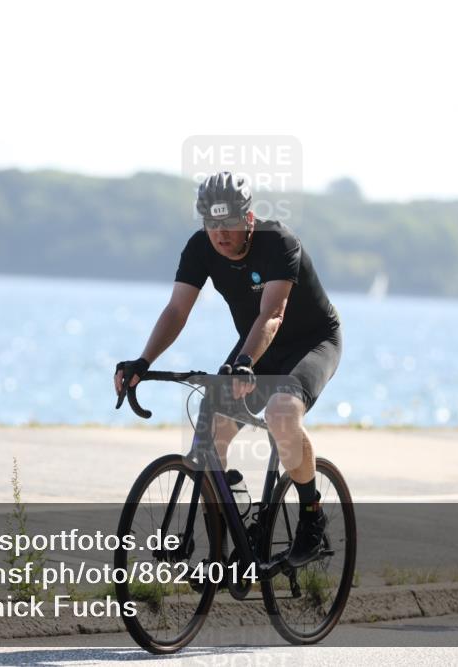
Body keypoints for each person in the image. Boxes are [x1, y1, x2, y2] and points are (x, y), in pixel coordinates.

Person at [114, 171, 342, 567]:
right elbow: (176, 311)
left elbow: (273, 314)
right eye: (212, 224)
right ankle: (222, 541)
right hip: (256, 349)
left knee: (281, 413)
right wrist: (143, 361)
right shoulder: (201, 248)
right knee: (211, 423)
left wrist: (243, 364)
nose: (220, 233)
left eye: (229, 223)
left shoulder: (279, 243)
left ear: (248, 219)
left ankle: (312, 518)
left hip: (309, 342)